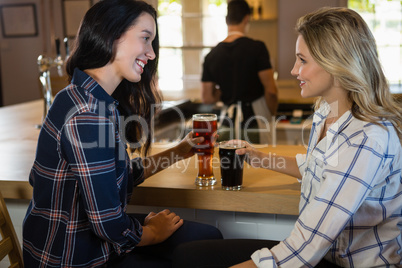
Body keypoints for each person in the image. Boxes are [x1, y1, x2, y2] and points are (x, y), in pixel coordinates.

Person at [173, 7, 402, 268]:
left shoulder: (366, 138)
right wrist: (259, 158)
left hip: (350, 264)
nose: (293, 70)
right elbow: (319, 168)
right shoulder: (327, 110)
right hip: (326, 254)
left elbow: (304, 250)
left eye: (302, 60)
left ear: (337, 62)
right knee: (188, 255)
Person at [22, 1, 222, 267]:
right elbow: (107, 223)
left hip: (85, 242)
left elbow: (120, 175)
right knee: (206, 246)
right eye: (145, 39)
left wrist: (178, 151)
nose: (151, 54)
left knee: (206, 239)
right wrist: (151, 232)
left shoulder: (81, 96)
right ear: (112, 34)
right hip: (74, 257)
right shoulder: (88, 114)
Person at [201, 0, 278, 145]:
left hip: (226, 123)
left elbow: (207, 97)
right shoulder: (257, 48)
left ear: (226, 20)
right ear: (247, 18)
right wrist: (271, 115)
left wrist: (222, 91)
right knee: (258, 165)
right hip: (255, 121)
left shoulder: (211, 55)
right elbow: (271, 91)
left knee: (228, 165)